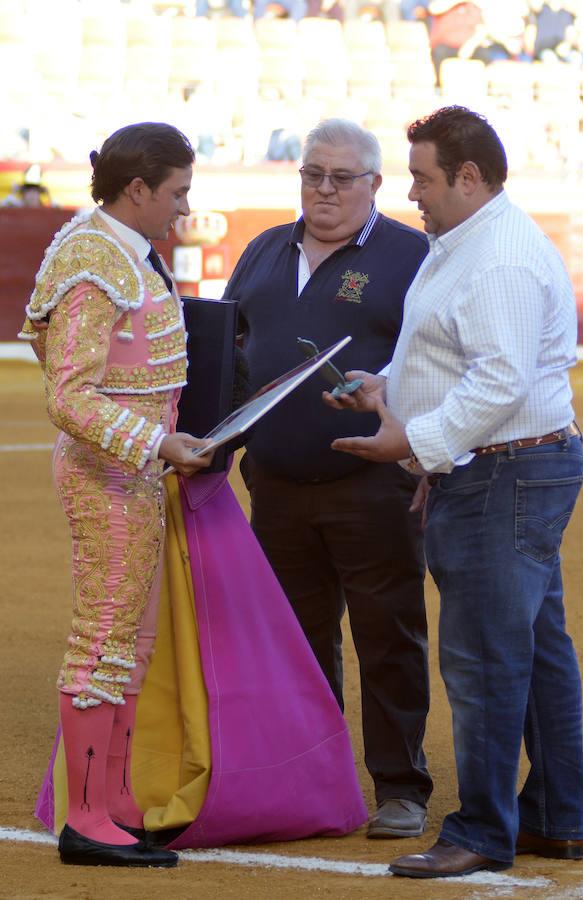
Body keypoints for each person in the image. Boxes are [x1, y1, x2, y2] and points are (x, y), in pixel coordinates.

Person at [326, 105, 583, 877]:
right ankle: (549, 818)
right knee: (535, 654)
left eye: (423, 178)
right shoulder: (473, 240)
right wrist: (388, 390)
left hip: (500, 470)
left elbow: (499, 379)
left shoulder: (495, 254)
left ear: (469, 178)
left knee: (482, 660)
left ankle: (480, 829)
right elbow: (459, 360)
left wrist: (418, 442)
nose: (413, 193)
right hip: (505, 466)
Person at [224, 117, 432, 839]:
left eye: (342, 177)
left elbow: (439, 360)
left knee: (388, 637)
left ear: (375, 183)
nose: (324, 189)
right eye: (312, 173)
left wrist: (393, 398)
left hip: (372, 484)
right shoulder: (262, 250)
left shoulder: (412, 254)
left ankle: (400, 787)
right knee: (292, 643)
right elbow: (230, 352)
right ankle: (307, 779)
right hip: (276, 488)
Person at [19, 122, 216, 868]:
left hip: (132, 469)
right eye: (177, 193)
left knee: (129, 644)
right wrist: (156, 442)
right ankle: (87, 817)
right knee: (103, 638)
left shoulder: (115, 251)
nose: (182, 207)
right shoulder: (94, 261)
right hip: (109, 472)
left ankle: (117, 803)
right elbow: (69, 397)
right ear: (138, 189)